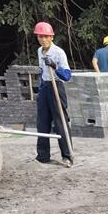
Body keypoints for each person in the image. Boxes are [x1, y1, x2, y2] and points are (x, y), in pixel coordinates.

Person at [33, 21, 74, 168]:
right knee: (42, 122)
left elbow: (67, 76)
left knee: (60, 122)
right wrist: (41, 89)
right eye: (40, 36)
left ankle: (67, 156)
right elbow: (42, 71)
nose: (43, 39)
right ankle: (43, 155)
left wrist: (55, 66)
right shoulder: (39, 51)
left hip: (56, 86)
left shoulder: (58, 52)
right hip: (45, 87)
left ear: (51, 37)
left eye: (46, 36)